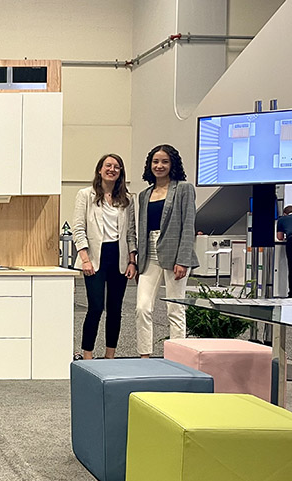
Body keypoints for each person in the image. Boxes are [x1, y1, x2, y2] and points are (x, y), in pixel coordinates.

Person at [135, 144, 198, 358]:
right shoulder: (144, 194)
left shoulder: (183, 188)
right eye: (155, 161)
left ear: (173, 164)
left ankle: (178, 357)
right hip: (149, 256)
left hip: (175, 256)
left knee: (175, 309)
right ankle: (145, 356)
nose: (159, 165)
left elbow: (188, 225)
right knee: (142, 308)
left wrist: (183, 259)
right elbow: (142, 229)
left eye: (164, 161)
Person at [72, 154, 137, 360]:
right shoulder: (85, 195)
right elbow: (78, 228)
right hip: (94, 257)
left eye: (117, 167)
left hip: (119, 257)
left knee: (115, 309)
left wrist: (132, 260)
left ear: (121, 172)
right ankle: (88, 354)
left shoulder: (127, 199)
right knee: (96, 307)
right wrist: (84, 258)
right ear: (100, 169)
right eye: (108, 165)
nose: (112, 169)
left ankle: (110, 356)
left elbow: (131, 233)